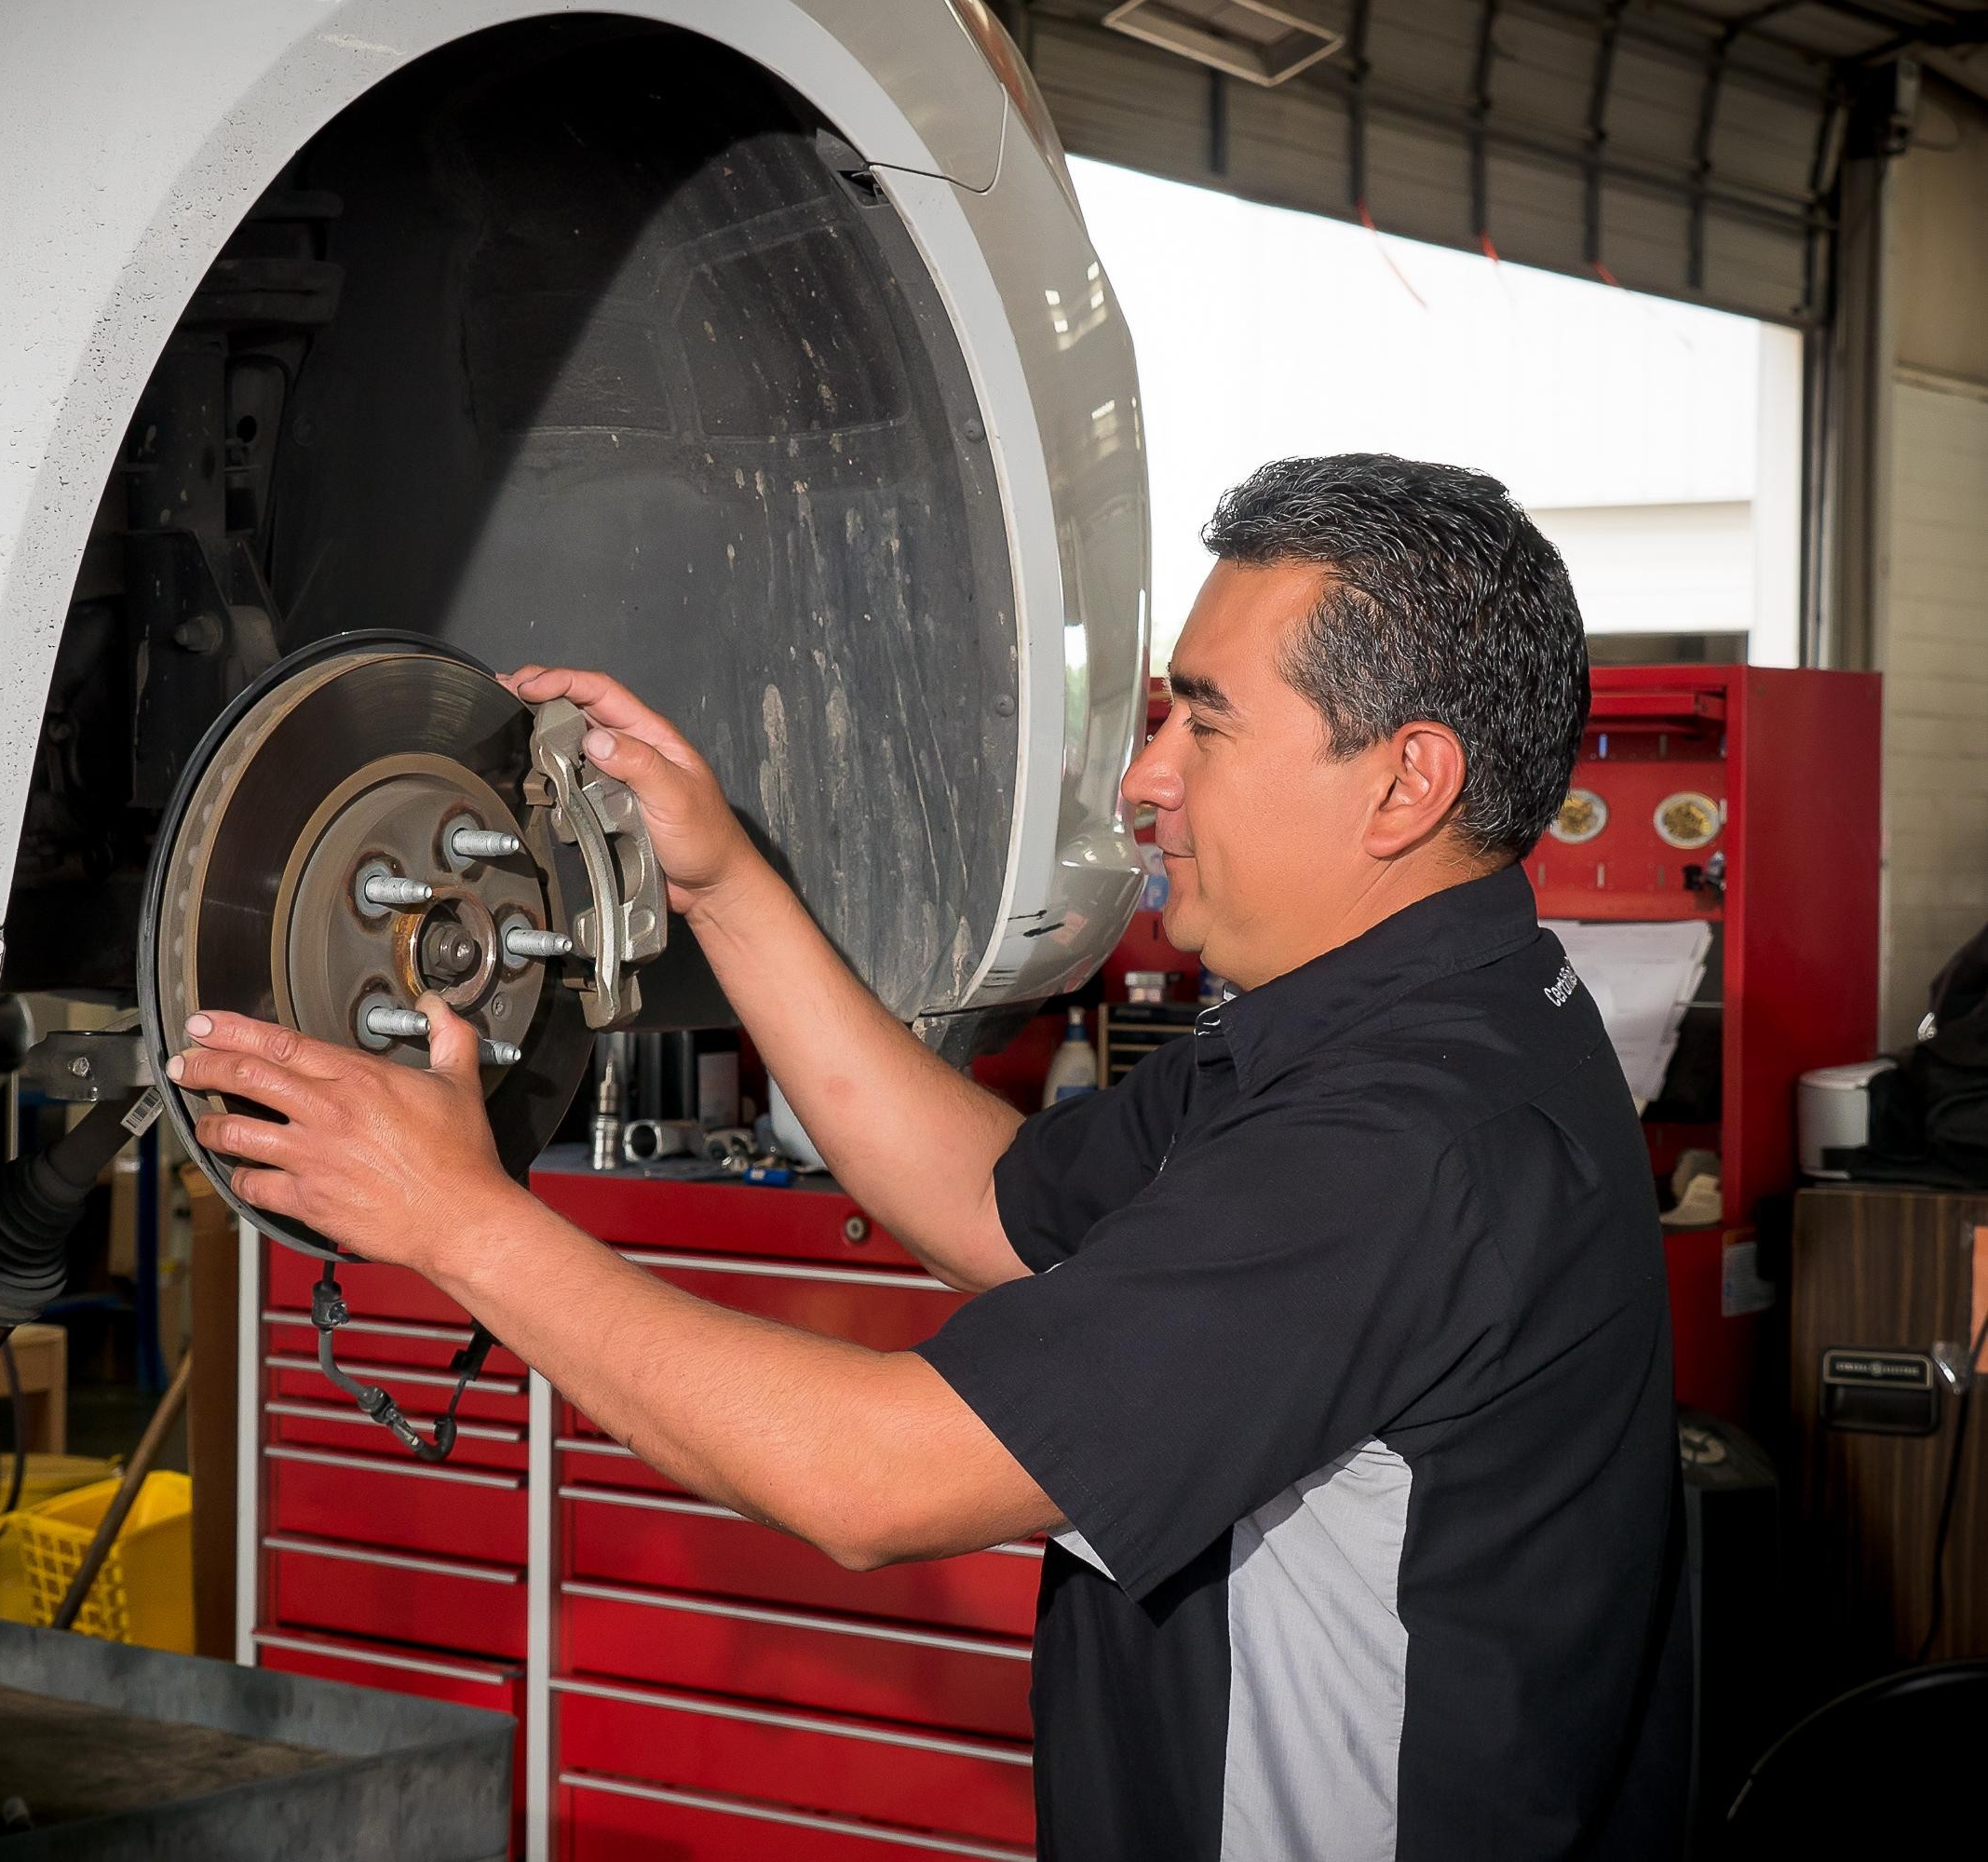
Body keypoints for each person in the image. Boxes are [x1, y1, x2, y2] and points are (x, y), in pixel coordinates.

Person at [168, 454, 1687, 1859]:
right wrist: (725, 884)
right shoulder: (1397, 1021)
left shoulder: (1404, 1142)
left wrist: (466, 1226)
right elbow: (991, 1204)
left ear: (1405, 782)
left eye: (1202, 723)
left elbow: (873, 1480)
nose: (1145, 782)